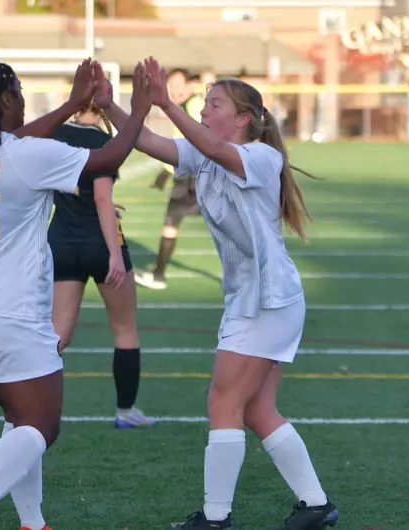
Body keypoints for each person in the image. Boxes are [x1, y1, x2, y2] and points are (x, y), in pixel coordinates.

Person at [95, 58, 338, 530]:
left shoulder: (261, 157)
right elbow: (147, 142)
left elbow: (209, 145)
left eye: (214, 103)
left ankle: (215, 518)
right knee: (257, 409)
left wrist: (165, 101)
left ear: (244, 118)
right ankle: (315, 505)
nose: (204, 109)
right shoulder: (205, 151)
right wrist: (111, 107)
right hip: (256, 300)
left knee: (222, 404)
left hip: (269, 301)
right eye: (203, 102)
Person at [0, 58, 153, 530]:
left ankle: (33, 523)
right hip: (9, 310)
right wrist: (140, 109)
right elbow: (107, 159)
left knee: (20, 418)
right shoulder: (24, 155)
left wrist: (69, 105)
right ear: (4, 100)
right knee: (43, 425)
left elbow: (20, 140)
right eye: (19, 90)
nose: (24, 98)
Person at [47, 101, 154, 429]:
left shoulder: (53, 135)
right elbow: (102, 199)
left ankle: (30, 403)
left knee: (56, 336)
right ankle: (126, 412)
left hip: (62, 240)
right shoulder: (102, 141)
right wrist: (114, 254)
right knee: (125, 330)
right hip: (99, 242)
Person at [133, 68, 205, 291]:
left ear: (190, 85)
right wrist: (166, 170)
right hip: (187, 175)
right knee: (173, 221)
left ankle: (159, 274)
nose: (174, 91)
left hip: (192, 177)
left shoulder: (194, 105)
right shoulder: (185, 106)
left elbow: (202, 136)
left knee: (172, 221)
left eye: (178, 85)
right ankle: (158, 272)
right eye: (170, 86)